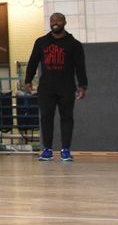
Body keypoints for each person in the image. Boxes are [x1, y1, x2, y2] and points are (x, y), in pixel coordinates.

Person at [24, 13, 88, 162]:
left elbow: (80, 66)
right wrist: (28, 80)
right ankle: (47, 150)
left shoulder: (74, 44)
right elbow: (33, 62)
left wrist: (82, 85)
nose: (55, 23)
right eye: (52, 20)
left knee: (67, 118)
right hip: (46, 88)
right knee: (46, 118)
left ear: (65, 22)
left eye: (58, 20)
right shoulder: (41, 42)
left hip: (66, 87)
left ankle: (65, 150)